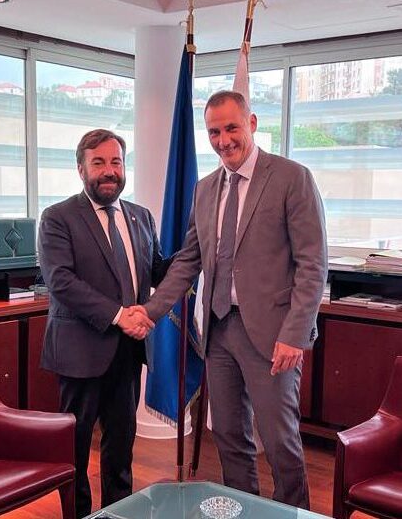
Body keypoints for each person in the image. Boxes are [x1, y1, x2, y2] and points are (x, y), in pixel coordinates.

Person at [139, 90, 328, 509]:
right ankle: (244, 511)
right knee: (228, 436)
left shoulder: (292, 177)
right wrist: (151, 312)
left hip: (274, 333)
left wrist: (295, 335)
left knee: (279, 441)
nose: (223, 140)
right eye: (213, 132)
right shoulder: (205, 188)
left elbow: (313, 264)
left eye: (231, 128)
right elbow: (189, 260)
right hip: (218, 329)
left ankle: (293, 514)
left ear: (252, 123)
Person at [38, 128, 168, 518]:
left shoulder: (140, 216)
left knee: (121, 446)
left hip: (128, 351)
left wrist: (197, 253)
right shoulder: (58, 218)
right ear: (81, 169)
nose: (109, 171)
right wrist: (120, 315)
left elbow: (156, 270)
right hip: (81, 351)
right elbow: (60, 281)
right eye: (98, 162)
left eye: (116, 162)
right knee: (75, 448)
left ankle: (119, 512)